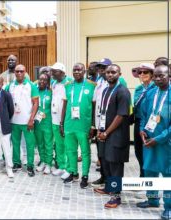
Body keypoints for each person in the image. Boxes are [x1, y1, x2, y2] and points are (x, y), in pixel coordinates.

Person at [94, 64, 131, 209]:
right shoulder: (105, 90)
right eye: (108, 72)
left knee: (115, 165)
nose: (110, 75)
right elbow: (103, 112)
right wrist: (99, 129)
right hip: (104, 133)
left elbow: (121, 115)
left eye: (113, 72)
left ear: (119, 74)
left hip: (116, 135)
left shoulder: (123, 91)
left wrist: (106, 132)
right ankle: (109, 187)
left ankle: (116, 196)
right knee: (106, 162)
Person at [137, 65, 171, 220]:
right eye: (156, 76)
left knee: (167, 174)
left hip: (165, 143)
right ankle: (152, 200)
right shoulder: (150, 93)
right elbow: (144, 115)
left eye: (161, 76)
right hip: (148, 141)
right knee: (150, 170)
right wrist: (142, 130)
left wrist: (158, 139)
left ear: (169, 75)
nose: (158, 79)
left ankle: (168, 208)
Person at [60, 63, 96, 188]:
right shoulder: (68, 86)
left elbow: (94, 108)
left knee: (85, 152)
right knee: (71, 150)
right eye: (74, 70)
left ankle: (85, 175)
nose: (76, 72)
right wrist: (61, 123)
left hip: (84, 125)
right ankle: (73, 173)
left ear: (84, 71)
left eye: (79, 70)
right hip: (69, 124)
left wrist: (93, 126)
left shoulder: (92, 86)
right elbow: (64, 106)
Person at [5, 64, 38, 177]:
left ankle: (30, 166)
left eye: (21, 71)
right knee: (15, 144)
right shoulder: (10, 86)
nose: (19, 73)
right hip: (14, 121)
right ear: (14, 72)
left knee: (30, 144)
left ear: (25, 72)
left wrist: (31, 119)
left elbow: (36, 103)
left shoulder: (31, 85)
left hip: (27, 121)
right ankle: (17, 163)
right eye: (17, 71)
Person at [132, 63, 155, 178]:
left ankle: (147, 179)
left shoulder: (155, 88)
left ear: (152, 74)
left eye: (145, 72)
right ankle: (142, 175)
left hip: (151, 123)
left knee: (148, 152)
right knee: (138, 151)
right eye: (140, 72)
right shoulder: (138, 89)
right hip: (138, 121)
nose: (142, 74)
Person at [49, 62, 72, 178]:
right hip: (54, 118)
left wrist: (63, 122)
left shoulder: (69, 83)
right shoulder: (53, 83)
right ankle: (61, 166)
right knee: (58, 145)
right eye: (52, 71)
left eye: (55, 71)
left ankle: (69, 168)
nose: (52, 73)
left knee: (67, 145)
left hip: (65, 120)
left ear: (62, 72)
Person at [34, 72, 54, 175]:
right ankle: (42, 161)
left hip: (48, 122)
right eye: (40, 79)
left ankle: (48, 164)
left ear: (48, 82)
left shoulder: (51, 92)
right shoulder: (35, 91)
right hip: (37, 122)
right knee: (40, 143)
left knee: (48, 144)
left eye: (44, 80)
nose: (42, 81)